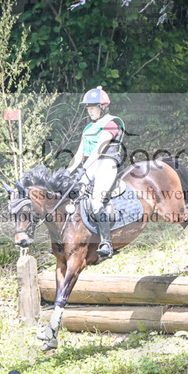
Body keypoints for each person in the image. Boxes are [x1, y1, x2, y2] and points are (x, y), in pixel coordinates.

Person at [67, 86, 125, 259]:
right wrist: (67, 172)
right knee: (72, 196)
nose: (90, 111)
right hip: (91, 166)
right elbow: (79, 154)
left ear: (103, 107)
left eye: (93, 107)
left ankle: (106, 243)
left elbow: (98, 150)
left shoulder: (112, 123)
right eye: (88, 108)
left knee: (96, 200)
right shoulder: (87, 129)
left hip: (107, 163)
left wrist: (84, 169)